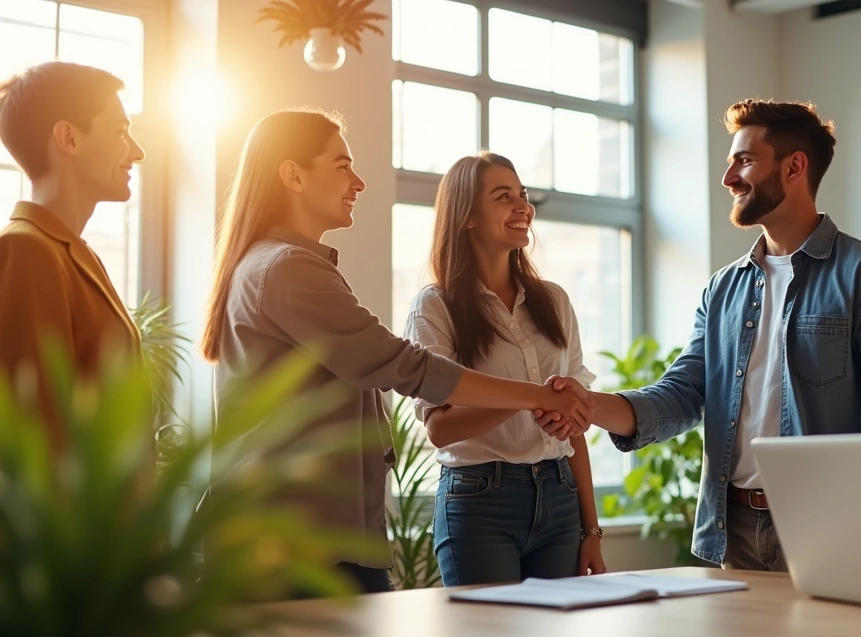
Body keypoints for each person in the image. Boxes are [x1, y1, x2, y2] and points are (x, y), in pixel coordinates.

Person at [201, 109, 590, 595]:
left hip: (312, 536)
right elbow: (403, 366)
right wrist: (537, 396)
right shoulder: (286, 269)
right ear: (293, 174)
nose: (358, 182)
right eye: (343, 166)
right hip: (298, 542)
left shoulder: (281, 264)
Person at [546, 99, 861, 571]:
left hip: (829, 531)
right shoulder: (723, 288)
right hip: (734, 535)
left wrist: (854, 519)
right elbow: (683, 395)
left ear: (794, 167)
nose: (728, 178)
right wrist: (589, 406)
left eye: (744, 161)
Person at [405, 152, 606, 586]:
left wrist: (592, 530)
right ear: (468, 217)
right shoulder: (436, 306)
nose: (523, 208)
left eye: (523, 195)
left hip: (560, 496)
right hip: (480, 501)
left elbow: (573, 430)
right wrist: (530, 396)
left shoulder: (554, 302)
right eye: (503, 197)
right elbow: (440, 428)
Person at [0, 61, 144, 448]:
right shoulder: (28, 250)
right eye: (120, 132)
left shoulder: (72, 253)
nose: (138, 152)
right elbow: (36, 437)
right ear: (68, 137)